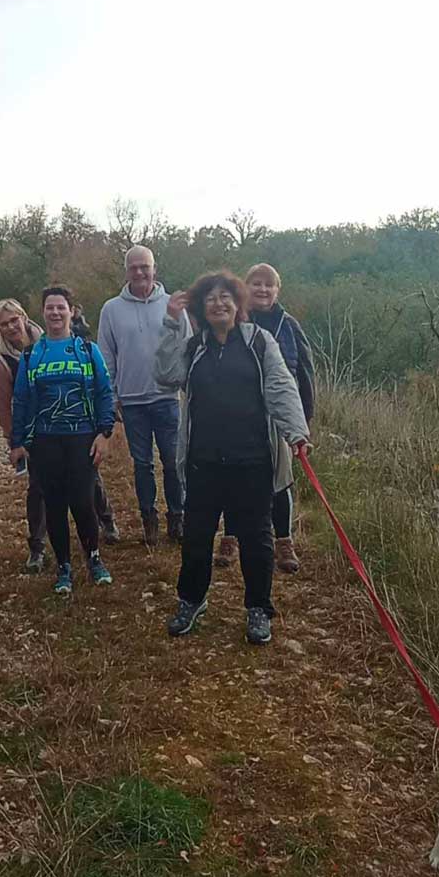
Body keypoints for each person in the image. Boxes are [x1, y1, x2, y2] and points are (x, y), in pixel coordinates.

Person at [155, 271, 310, 645]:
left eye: (226, 297)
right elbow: (165, 375)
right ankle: (191, 600)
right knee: (196, 538)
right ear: (201, 308)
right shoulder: (195, 347)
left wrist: (296, 431)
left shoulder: (260, 342)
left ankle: (259, 608)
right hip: (203, 461)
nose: (218, 303)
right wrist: (172, 325)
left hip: (252, 461)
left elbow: (280, 386)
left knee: (257, 541)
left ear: (238, 304)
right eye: (210, 298)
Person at [0, 299, 119, 573]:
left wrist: (105, 432)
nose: (12, 326)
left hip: (80, 437)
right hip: (43, 440)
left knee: (85, 498)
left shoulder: (85, 349)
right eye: (5, 323)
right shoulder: (18, 359)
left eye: (61, 307)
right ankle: (55, 559)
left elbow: (104, 392)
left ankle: (96, 553)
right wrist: (15, 442)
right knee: (50, 500)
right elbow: (17, 403)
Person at [215, 263, 315, 573]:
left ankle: (283, 542)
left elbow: (305, 373)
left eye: (268, 285)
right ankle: (230, 538)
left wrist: (303, 421)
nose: (262, 289)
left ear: (277, 290)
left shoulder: (289, 325)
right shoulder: (234, 323)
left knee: (280, 482)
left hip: (279, 419)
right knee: (231, 479)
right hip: (238, 416)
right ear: (246, 288)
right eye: (256, 284)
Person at [97, 245, 191, 545]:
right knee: (142, 465)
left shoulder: (173, 306)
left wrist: (191, 392)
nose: (139, 272)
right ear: (126, 271)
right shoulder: (111, 309)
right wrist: (111, 398)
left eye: (144, 266)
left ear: (154, 269)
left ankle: (177, 519)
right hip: (132, 400)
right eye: (133, 267)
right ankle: (148, 521)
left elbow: (186, 349)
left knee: (173, 462)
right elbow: (105, 356)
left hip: (166, 397)